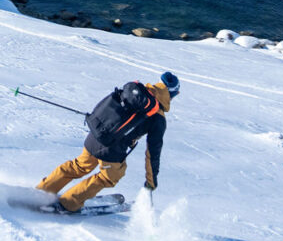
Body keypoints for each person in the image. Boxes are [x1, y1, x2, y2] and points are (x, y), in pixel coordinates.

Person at [36, 71, 180, 212]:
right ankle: (68, 203)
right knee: (110, 177)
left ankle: (42, 191)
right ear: (172, 95)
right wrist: (151, 183)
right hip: (111, 150)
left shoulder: (135, 93)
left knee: (78, 166)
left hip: (96, 135)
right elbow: (153, 153)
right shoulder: (157, 118)